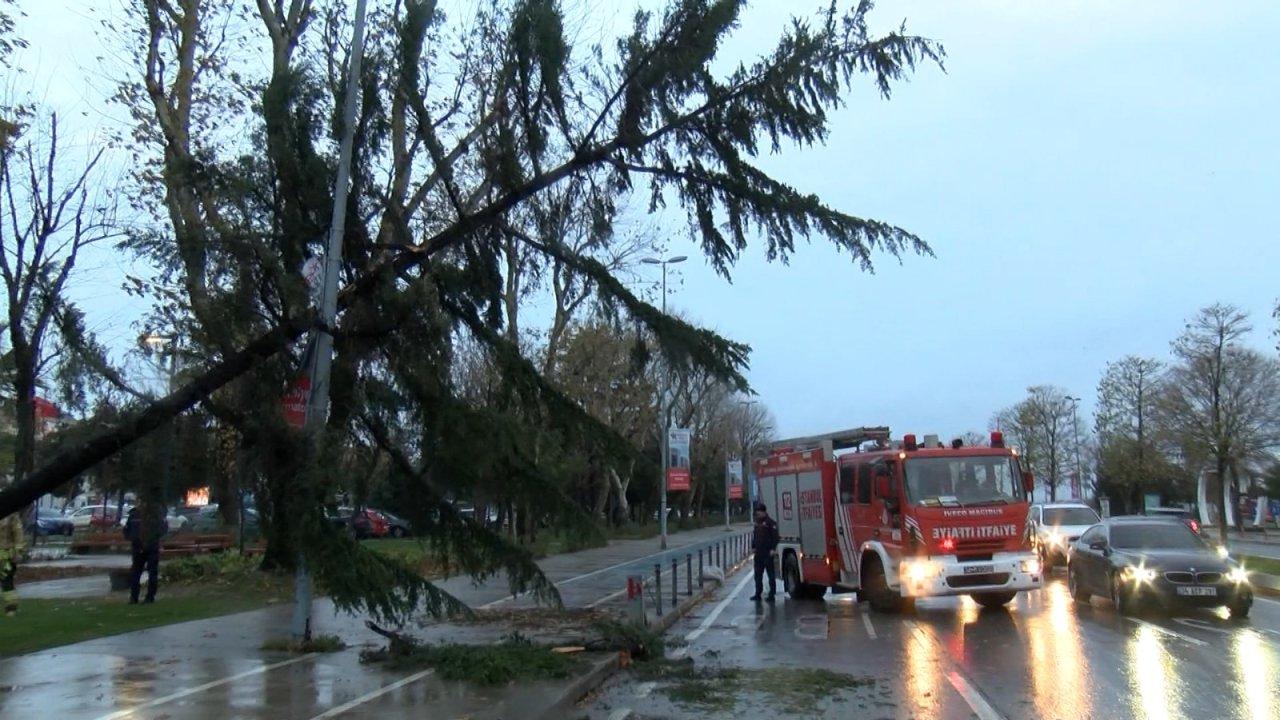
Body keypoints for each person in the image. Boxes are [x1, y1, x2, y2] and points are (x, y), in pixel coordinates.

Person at [123, 501, 166, 604]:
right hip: (150, 546)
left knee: (137, 573)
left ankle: (135, 598)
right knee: (150, 572)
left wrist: (133, 539)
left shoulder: (134, 514)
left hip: (140, 547)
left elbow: (126, 531)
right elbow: (163, 529)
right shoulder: (154, 514)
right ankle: (148, 597)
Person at [750, 502, 779, 602]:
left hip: (767, 553)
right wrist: (753, 547)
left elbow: (775, 537)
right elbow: (754, 537)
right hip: (758, 553)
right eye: (756, 513)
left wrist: (773, 549)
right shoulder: (757, 523)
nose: (757, 515)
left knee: (770, 575)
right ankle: (758, 593)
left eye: (758, 512)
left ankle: (772, 594)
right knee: (758, 575)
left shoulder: (771, 523)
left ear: (763, 512)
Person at [0, 508, 26, 616]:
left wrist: (18, 552)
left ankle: (11, 608)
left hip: (7, 556)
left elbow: (18, 534)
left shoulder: (11, 516)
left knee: (7, 582)